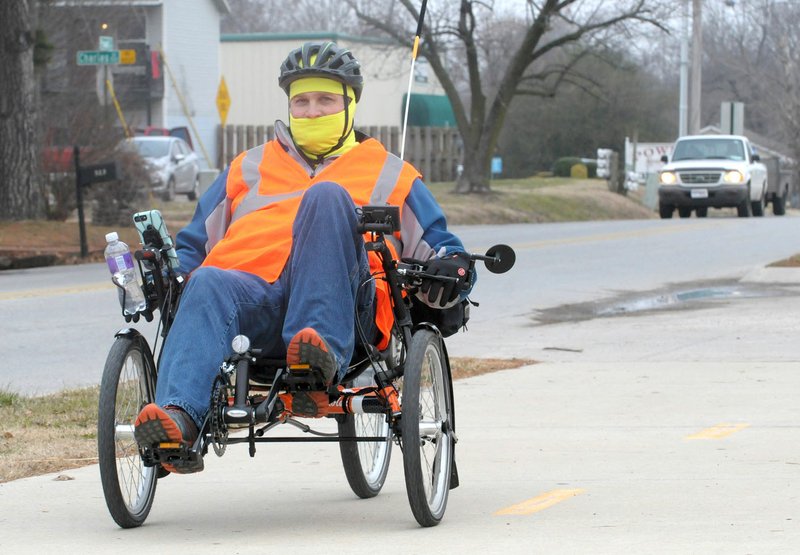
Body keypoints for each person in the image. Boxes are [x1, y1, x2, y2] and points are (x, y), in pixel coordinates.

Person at [133, 41, 474, 473]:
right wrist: (168, 273)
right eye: (302, 101)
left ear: (350, 105)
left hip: (347, 307)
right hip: (255, 301)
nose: (312, 112)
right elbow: (194, 246)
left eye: (326, 100)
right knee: (206, 280)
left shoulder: (389, 172)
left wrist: (455, 266)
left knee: (327, 197)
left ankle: (316, 360)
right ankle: (179, 421)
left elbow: (440, 245)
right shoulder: (247, 167)